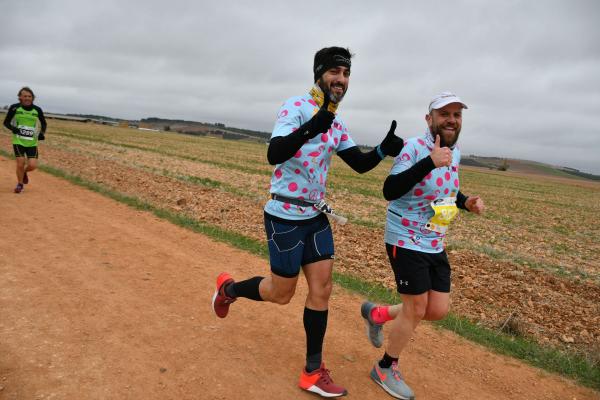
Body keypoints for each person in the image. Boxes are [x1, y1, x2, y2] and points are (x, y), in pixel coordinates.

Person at [211, 47, 404, 397]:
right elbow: (275, 152)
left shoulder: (337, 122)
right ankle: (229, 290)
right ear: (319, 73)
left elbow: (358, 164)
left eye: (345, 74)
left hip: (315, 217)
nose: (341, 80)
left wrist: (381, 150)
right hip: (284, 216)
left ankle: (312, 371)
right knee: (280, 293)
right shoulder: (295, 107)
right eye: (334, 72)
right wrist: (312, 126)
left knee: (322, 290)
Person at [360, 92, 485, 399]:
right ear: (429, 119)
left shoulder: (454, 154)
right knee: (416, 307)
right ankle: (386, 368)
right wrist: (429, 162)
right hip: (404, 236)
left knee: (436, 309)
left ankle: (377, 314)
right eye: (445, 114)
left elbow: (446, 192)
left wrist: (465, 201)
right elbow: (389, 189)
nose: (451, 120)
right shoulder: (414, 148)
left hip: (433, 240)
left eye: (457, 115)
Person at [3, 87, 47, 193]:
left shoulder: (37, 109)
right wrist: (14, 129)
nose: (27, 98)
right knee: (20, 163)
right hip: (18, 141)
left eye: (29, 96)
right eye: (25, 96)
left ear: (32, 98)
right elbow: (6, 122)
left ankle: (24, 172)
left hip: (32, 142)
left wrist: (41, 133)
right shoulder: (14, 108)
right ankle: (20, 184)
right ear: (20, 97)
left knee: (32, 165)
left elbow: (44, 123)